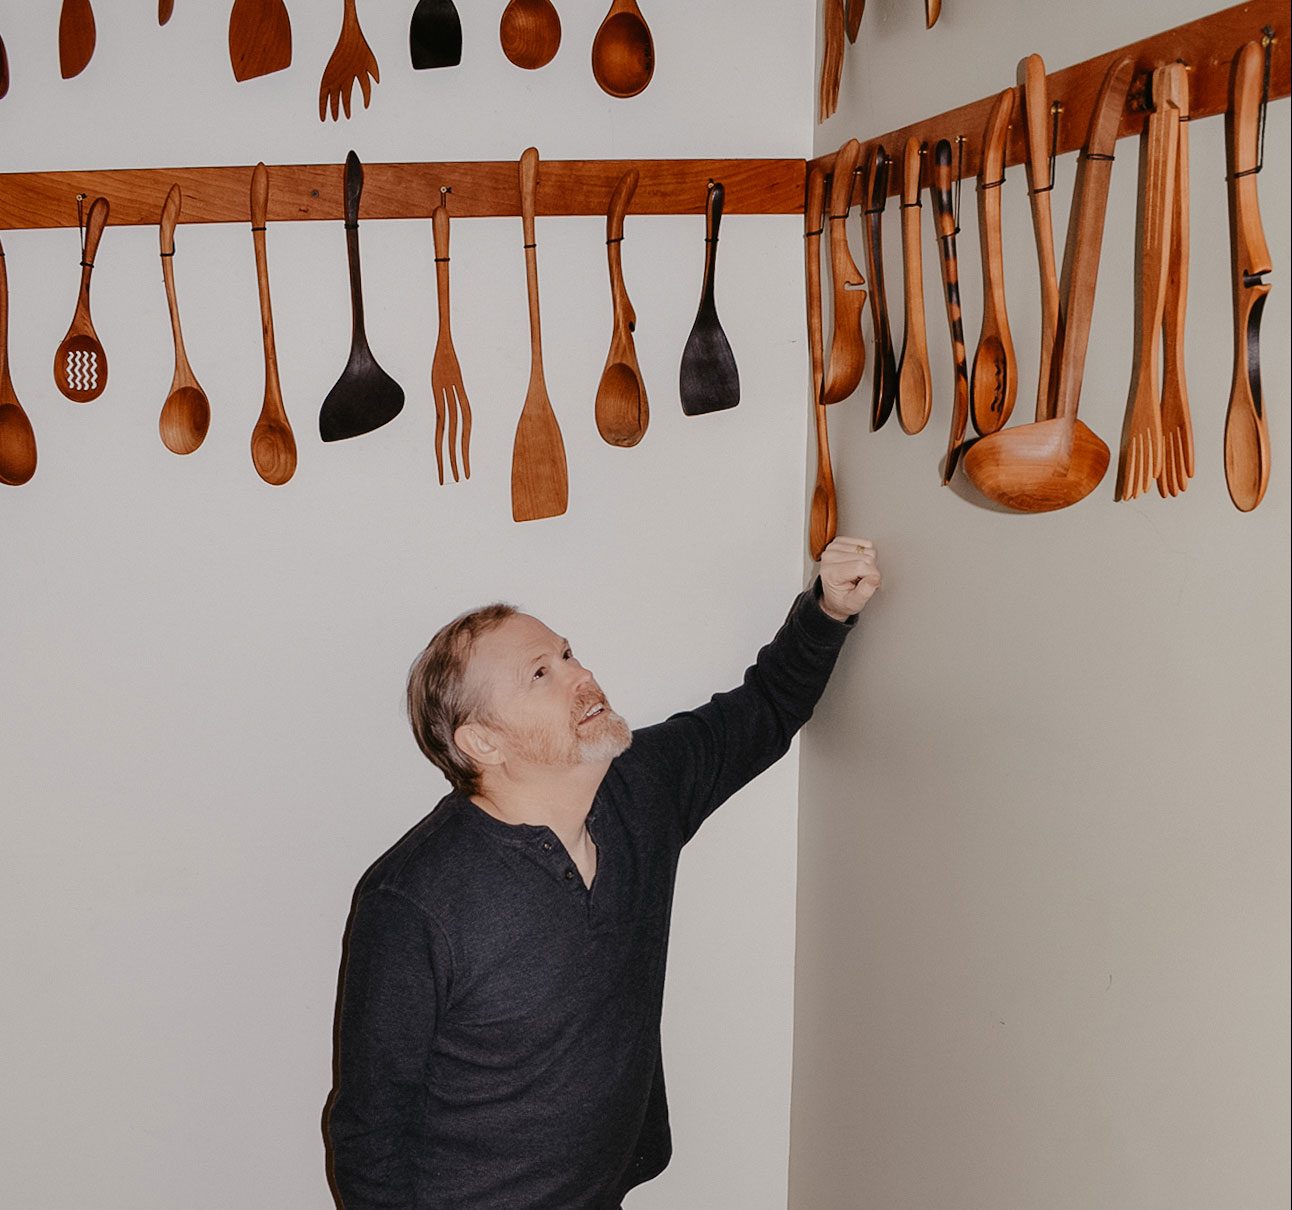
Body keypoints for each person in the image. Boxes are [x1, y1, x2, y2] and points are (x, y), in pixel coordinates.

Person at [326, 537, 881, 1209]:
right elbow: (369, 1134)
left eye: (566, 653)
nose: (579, 676)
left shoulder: (638, 791)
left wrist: (827, 609)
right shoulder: (412, 901)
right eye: (540, 675)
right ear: (482, 742)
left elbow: (764, 709)